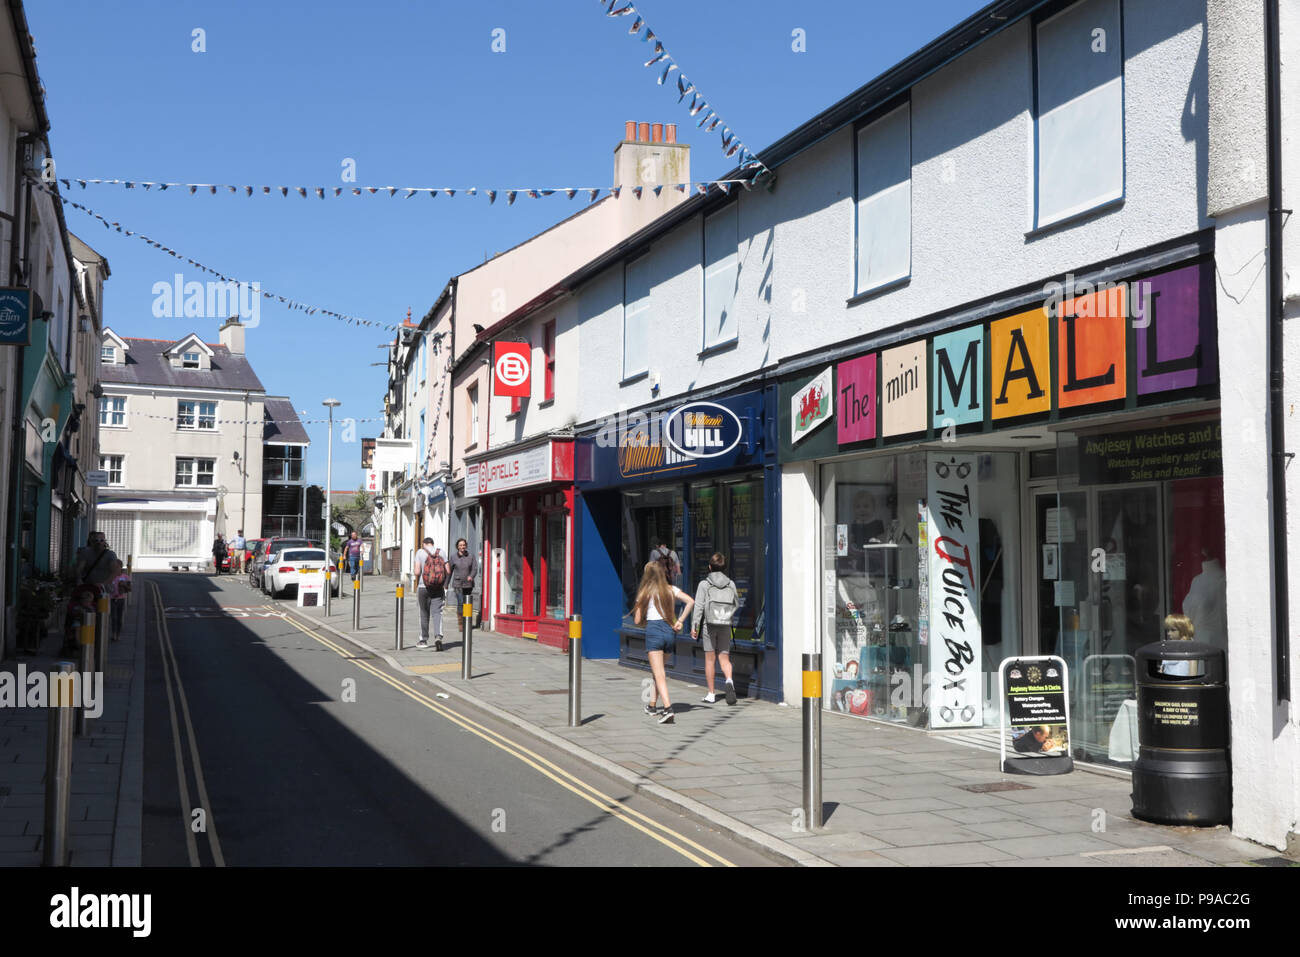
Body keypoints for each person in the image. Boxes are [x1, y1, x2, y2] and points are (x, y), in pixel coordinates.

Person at [632, 560, 694, 725]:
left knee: (659, 674)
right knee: (657, 672)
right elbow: (690, 601)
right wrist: (680, 620)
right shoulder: (671, 589)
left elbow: (637, 620)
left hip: (654, 632)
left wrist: (641, 611)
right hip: (669, 632)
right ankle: (652, 706)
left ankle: (668, 709)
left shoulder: (645, 592)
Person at [691, 551, 739, 705]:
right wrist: (727, 615)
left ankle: (711, 694)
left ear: (709, 567)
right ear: (724, 567)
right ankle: (729, 681)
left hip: (708, 625)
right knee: (724, 658)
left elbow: (698, 607)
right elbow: (736, 603)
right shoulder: (731, 583)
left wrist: (695, 626)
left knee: (710, 659)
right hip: (725, 623)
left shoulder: (704, 584)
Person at [414, 538, 448, 650]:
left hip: (423, 587)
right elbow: (448, 570)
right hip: (438, 588)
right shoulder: (441, 552)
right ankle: (438, 636)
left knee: (424, 613)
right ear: (433, 544)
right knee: (437, 613)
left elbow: (417, 572)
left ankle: (423, 640)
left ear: (424, 544)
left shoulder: (420, 552)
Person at [449, 538, 477, 619]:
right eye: (460, 545)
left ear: (466, 546)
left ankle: (467, 620)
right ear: (457, 546)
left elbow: (474, 568)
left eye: (464, 545)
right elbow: (450, 571)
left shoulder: (471, 556)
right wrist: (446, 584)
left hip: (468, 584)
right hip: (457, 584)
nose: (462, 547)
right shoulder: (453, 557)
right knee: (461, 602)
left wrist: (471, 576)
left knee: (467, 603)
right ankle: (461, 621)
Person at [105, 559, 131, 641]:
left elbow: (130, 589)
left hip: (121, 600)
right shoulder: (111, 577)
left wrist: (124, 585)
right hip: (112, 599)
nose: (114, 568)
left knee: (119, 618)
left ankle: (118, 634)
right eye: (113, 567)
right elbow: (107, 587)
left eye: (116, 567)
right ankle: (114, 634)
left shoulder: (125, 577)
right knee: (114, 617)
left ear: (120, 567)